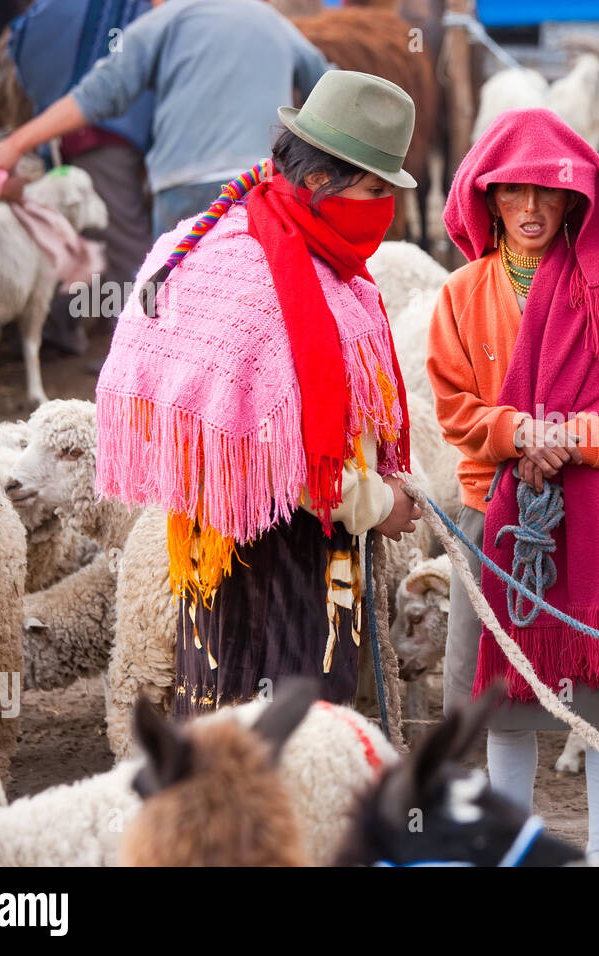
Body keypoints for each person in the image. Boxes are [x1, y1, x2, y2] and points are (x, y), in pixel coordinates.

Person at [95, 71, 421, 715]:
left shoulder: (204, 242)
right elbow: (299, 456)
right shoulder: (279, 282)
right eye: (375, 189)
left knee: (216, 720)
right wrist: (381, 504)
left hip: (207, 551)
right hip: (293, 565)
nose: (383, 207)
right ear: (324, 181)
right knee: (295, 747)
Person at [428, 107, 599, 866]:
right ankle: (514, 855)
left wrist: (568, 441)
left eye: (548, 192)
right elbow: (454, 408)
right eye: (513, 193)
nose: (531, 210)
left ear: (576, 199)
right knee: (507, 703)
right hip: (497, 520)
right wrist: (518, 434)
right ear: (487, 199)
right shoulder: (462, 294)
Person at [0, 0, 331, 239]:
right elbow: (329, 89)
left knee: (177, 310)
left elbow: (94, 96)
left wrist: (15, 143)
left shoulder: (161, 21)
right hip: (267, 186)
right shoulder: (271, 20)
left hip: (187, 191)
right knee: (261, 303)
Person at [5, 0, 157, 356]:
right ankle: (139, 347)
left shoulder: (58, 8)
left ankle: (60, 329)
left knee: (69, 229)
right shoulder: (132, 10)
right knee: (121, 238)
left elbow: (21, 43)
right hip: (105, 133)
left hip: (67, 131)